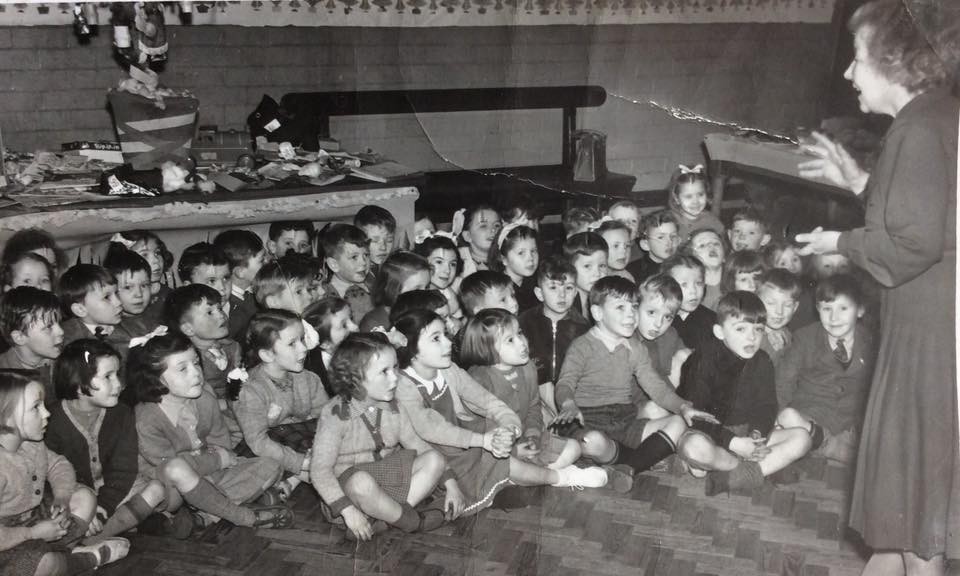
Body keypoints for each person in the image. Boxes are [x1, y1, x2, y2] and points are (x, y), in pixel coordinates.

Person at [795, 1, 958, 570]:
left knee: (913, 522)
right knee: (900, 520)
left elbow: (910, 246)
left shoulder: (916, 129)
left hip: (927, 341)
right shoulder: (936, 116)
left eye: (857, 57)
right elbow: (924, 218)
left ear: (893, 61)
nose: (847, 73)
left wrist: (836, 244)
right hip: (929, 329)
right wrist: (860, 181)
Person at [311, 332, 450, 541]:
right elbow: (320, 471)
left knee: (435, 459)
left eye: (395, 367)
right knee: (361, 482)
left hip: (386, 482)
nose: (395, 377)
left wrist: (450, 482)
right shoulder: (335, 415)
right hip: (350, 495)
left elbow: (417, 445)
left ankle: (386, 519)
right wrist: (348, 511)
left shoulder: (394, 407)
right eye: (384, 371)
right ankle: (413, 522)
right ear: (353, 378)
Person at [0, 371, 130, 575]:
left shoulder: (32, 444)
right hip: (7, 539)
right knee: (40, 566)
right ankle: (84, 559)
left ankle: (62, 553)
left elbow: (58, 465)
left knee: (84, 497)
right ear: (6, 418)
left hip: (33, 520)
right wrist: (31, 533)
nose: (46, 413)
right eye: (36, 407)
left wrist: (62, 496)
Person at [46, 340, 168, 542]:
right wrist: (87, 503)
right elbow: (52, 475)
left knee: (156, 489)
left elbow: (124, 469)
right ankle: (124, 523)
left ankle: (92, 537)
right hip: (74, 495)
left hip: (111, 491)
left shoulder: (122, 413)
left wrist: (102, 507)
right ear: (78, 385)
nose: (118, 384)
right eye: (108, 377)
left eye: (117, 374)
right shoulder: (52, 419)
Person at [667, 163, 724, 242]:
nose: (696, 201)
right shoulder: (669, 221)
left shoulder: (712, 221)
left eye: (700, 194)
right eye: (688, 196)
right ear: (676, 198)